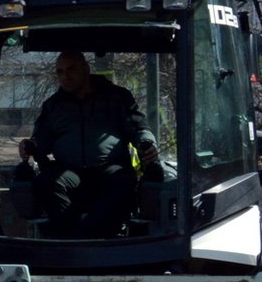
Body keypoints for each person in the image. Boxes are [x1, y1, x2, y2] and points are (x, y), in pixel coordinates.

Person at [17, 50, 161, 238]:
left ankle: (81, 237)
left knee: (123, 182)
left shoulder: (117, 97)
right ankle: (80, 237)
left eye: (71, 69)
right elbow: (42, 140)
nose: (65, 76)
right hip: (69, 172)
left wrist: (147, 143)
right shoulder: (53, 106)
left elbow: (138, 127)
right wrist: (30, 145)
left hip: (109, 169)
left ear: (86, 69)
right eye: (60, 72)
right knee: (46, 182)